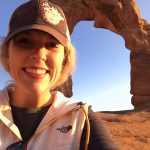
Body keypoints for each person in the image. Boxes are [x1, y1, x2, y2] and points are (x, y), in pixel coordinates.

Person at [0, 0, 119, 150]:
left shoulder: (81, 118)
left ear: (64, 59)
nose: (39, 54)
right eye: (24, 41)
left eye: (52, 44)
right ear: (7, 55)